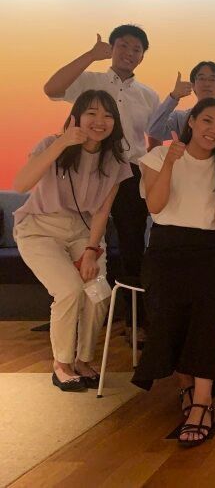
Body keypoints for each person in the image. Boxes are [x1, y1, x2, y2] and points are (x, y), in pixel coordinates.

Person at [132, 98, 215, 447]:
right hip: (165, 249)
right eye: (207, 121)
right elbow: (155, 206)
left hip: (209, 250)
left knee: (206, 310)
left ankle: (202, 400)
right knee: (167, 311)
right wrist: (170, 161)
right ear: (192, 122)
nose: (214, 130)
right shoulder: (158, 156)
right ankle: (186, 387)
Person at [44, 25, 159, 344]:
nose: (129, 53)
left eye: (136, 49)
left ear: (142, 56)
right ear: (112, 48)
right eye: (123, 45)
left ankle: (135, 321)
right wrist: (91, 55)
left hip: (130, 174)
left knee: (132, 247)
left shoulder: (149, 95)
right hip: (89, 170)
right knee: (80, 241)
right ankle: (76, 318)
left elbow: (154, 141)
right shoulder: (90, 81)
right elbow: (52, 88)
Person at [13, 90, 131, 391]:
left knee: (98, 292)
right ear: (76, 116)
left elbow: (102, 211)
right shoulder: (51, 144)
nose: (100, 121)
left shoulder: (116, 159)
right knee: (69, 290)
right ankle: (62, 364)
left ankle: (83, 359)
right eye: (91, 113)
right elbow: (21, 184)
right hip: (40, 230)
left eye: (107, 115)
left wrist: (91, 251)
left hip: (84, 232)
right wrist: (62, 142)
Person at [147, 61, 215, 345]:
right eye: (200, 78)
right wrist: (173, 97)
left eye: (213, 78)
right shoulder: (180, 116)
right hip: (175, 227)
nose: (206, 83)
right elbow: (153, 130)